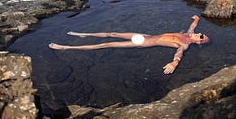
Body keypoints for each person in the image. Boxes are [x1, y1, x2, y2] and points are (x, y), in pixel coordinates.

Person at [49, 15, 209, 74]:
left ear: (198, 42)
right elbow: (192, 27)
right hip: (146, 35)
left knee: (108, 44)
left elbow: (179, 53)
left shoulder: (185, 44)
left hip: (143, 42)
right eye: (201, 33)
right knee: (113, 33)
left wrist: (175, 63)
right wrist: (197, 20)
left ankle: (66, 47)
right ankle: (84, 34)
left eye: (200, 36)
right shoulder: (188, 34)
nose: (198, 33)